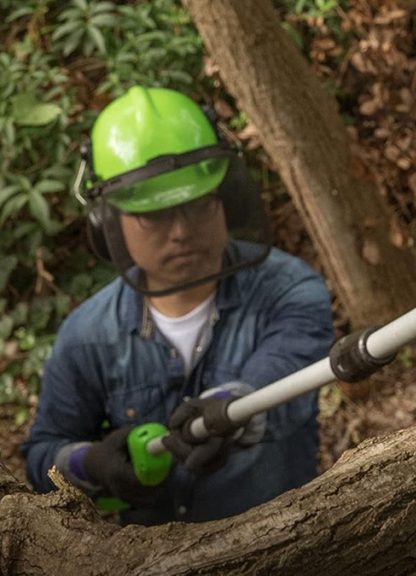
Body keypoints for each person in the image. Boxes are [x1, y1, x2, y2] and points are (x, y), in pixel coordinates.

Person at [20, 86, 335, 525]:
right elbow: (42, 453)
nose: (182, 232)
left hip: (286, 541)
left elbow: (281, 380)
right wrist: (90, 463)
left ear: (226, 200)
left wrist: (229, 410)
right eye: (154, 215)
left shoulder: (290, 290)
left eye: (198, 205)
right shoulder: (87, 335)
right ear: (107, 222)